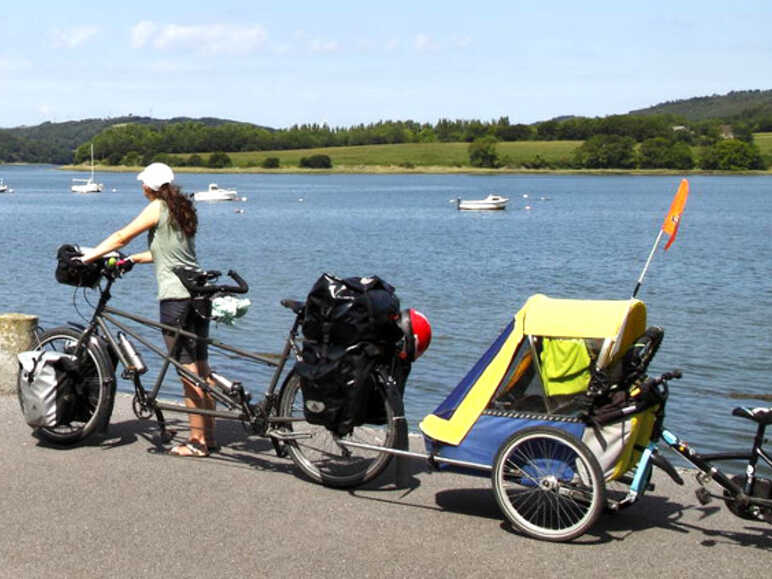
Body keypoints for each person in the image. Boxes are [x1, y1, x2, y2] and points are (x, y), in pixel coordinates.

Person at [81, 162, 215, 457]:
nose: (141, 188)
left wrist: (88, 258)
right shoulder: (182, 209)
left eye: (143, 184)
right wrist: (133, 260)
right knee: (201, 368)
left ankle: (196, 442)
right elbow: (168, 252)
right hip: (198, 294)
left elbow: (121, 236)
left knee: (185, 370)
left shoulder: (157, 207)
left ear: (150, 187)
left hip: (176, 298)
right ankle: (209, 434)